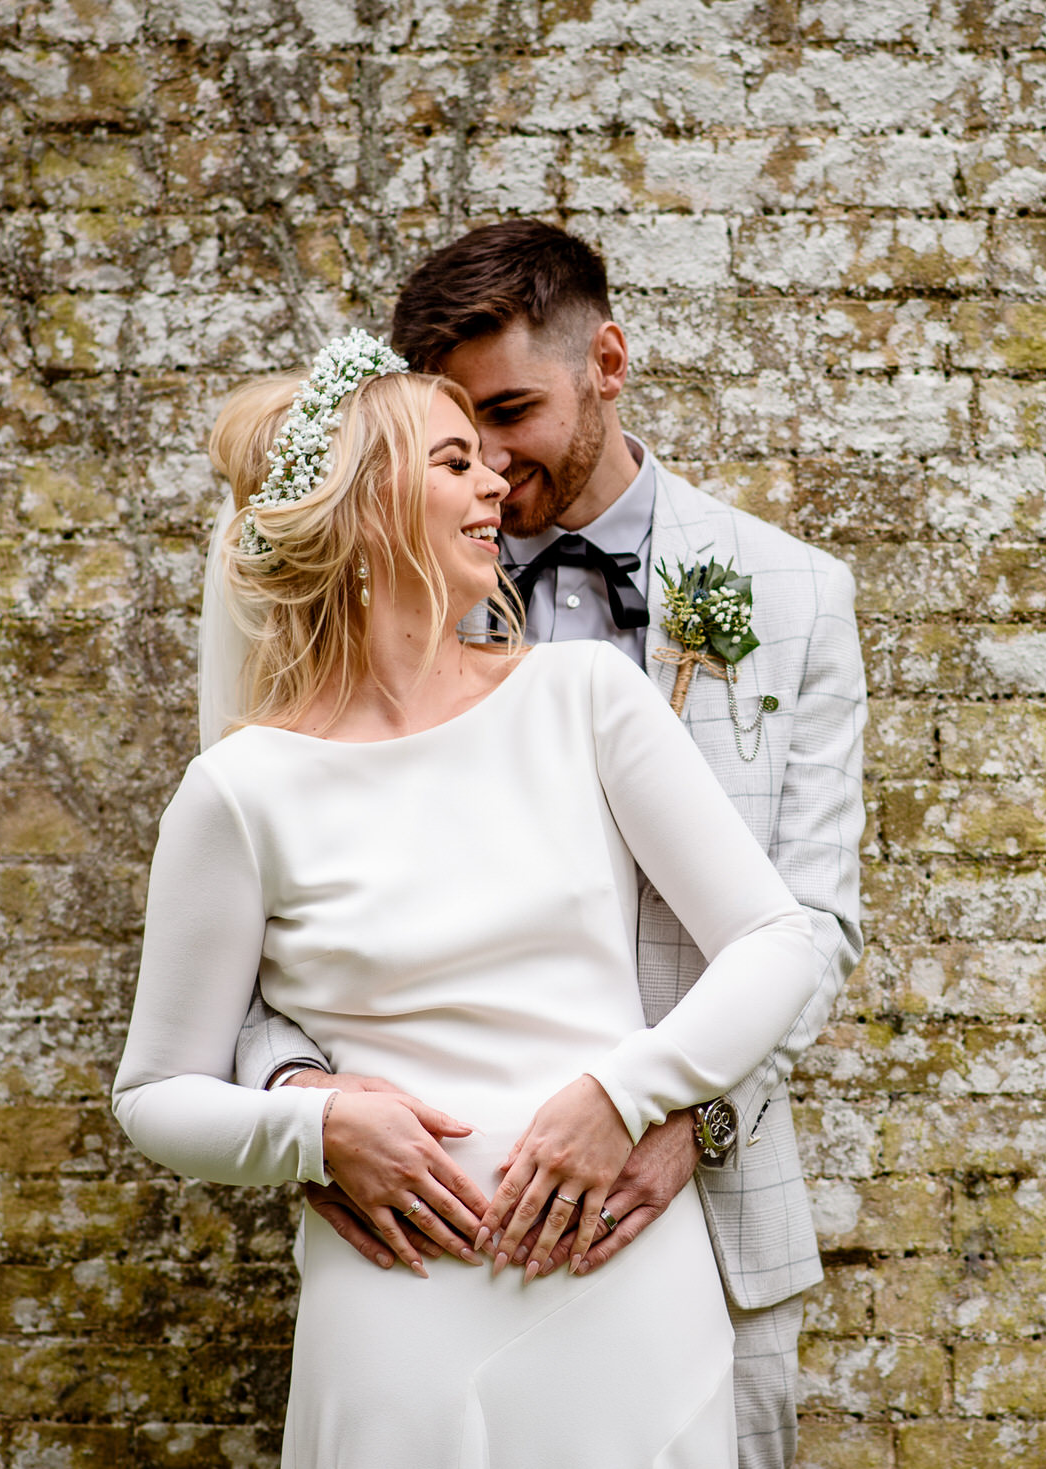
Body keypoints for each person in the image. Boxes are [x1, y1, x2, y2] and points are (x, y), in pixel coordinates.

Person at [209, 223, 867, 1468]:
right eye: (461, 428)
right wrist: (307, 1104)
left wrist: (681, 1113)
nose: (492, 467)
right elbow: (255, 933)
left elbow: (811, 922)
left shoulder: (791, 597)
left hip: (701, 1219)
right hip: (430, 1224)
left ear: (606, 361)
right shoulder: (375, 582)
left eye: (514, 410)